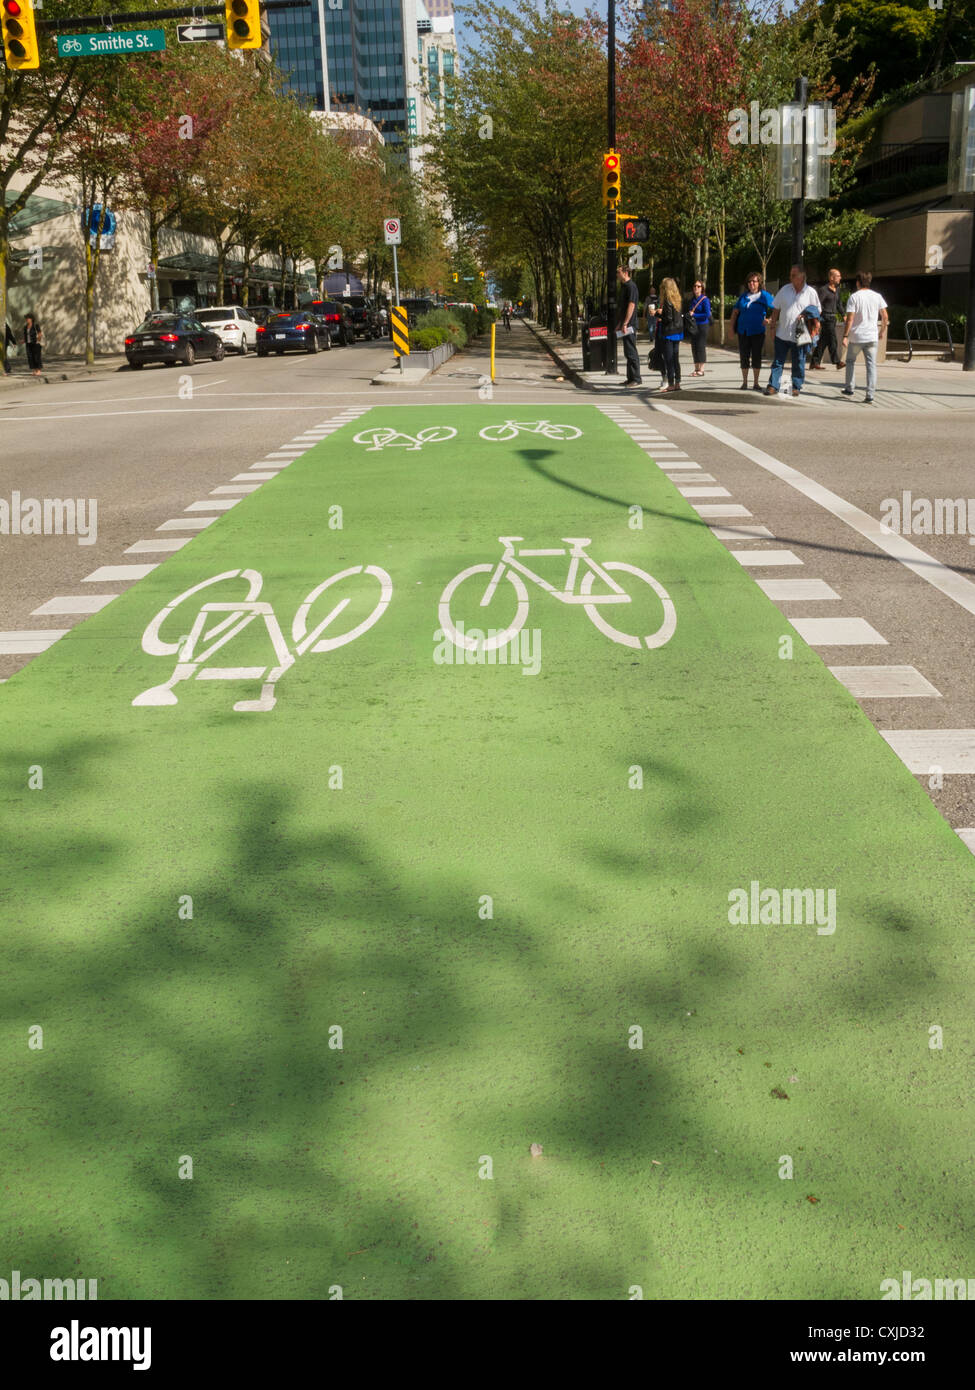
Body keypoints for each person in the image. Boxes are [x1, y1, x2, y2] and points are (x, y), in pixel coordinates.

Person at [765, 265, 821, 397]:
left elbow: (817, 311)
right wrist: (772, 327)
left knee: (799, 362)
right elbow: (776, 309)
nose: (791, 277)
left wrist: (808, 318)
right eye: (790, 275)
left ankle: (795, 386)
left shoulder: (811, 292)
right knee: (778, 361)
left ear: (802, 276)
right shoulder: (784, 290)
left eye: (793, 275)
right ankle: (773, 385)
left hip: (800, 334)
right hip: (782, 333)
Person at [840, 271, 888, 405]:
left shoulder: (854, 297)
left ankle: (849, 388)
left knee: (850, 361)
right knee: (871, 366)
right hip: (872, 336)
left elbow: (850, 319)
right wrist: (882, 331)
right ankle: (870, 395)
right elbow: (885, 316)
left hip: (857, 337)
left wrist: (845, 336)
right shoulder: (877, 296)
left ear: (858, 283)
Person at [728, 272, 774, 391]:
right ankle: (744, 383)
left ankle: (756, 383)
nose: (751, 283)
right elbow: (735, 312)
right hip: (743, 330)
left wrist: (770, 319)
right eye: (749, 281)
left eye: (754, 281)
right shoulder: (743, 296)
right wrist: (731, 328)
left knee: (756, 356)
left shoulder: (764, 296)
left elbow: (777, 308)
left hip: (758, 331)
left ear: (759, 283)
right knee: (744, 356)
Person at [809, 267, 844, 370]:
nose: (840, 278)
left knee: (823, 341)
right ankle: (837, 362)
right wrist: (817, 320)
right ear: (831, 277)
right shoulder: (823, 290)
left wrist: (844, 315)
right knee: (833, 340)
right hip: (825, 318)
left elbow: (839, 304)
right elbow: (818, 305)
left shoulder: (837, 289)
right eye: (838, 276)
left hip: (833, 318)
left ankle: (814, 362)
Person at [654, 277, 683, 393]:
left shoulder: (667, 300)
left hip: (669, 333)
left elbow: (668, 318)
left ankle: (670, 384)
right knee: (675, 359)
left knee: (669, 359)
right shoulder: (677, 299)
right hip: (678, 332)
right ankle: (678, 382)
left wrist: (657, 314)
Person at [616, 264, 642, 388]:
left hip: (630, 324)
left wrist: (625, 323)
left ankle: (636, 378)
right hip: (625, 324)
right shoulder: (624, 287)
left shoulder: (631, 287)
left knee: (631, 351)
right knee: (627, 351)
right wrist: (620, 323)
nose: (617, 274)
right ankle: (630, 378)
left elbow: (631, 306)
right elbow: (623, 307)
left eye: (618, 272)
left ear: (625, 273)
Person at [686, 279, 712, 376]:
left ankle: (701, 369)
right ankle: (696, 369)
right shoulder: (692, 300)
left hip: (702, 325)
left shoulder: (705, 300)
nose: (696, 288)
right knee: (694, 347)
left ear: (702, 289)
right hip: (694, 326)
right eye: (694, 286)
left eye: (698, 286)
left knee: (701, 346)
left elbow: (707, 314)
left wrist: (694, 315)